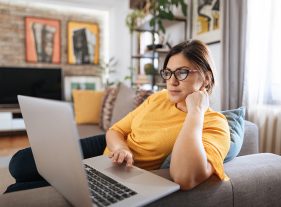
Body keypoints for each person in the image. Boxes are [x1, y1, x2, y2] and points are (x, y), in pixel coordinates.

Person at [5, 40, 230, 193]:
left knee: (16, 192)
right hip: (109, 151)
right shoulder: (159, 97)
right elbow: (115, 130)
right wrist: (121, 149)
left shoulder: (215, 123)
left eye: (182, 72)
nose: (171, 81)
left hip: (118, 174)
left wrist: (196, 112)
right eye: (168, 72)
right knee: (19, 164)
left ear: (207, 78)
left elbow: (185, 177)